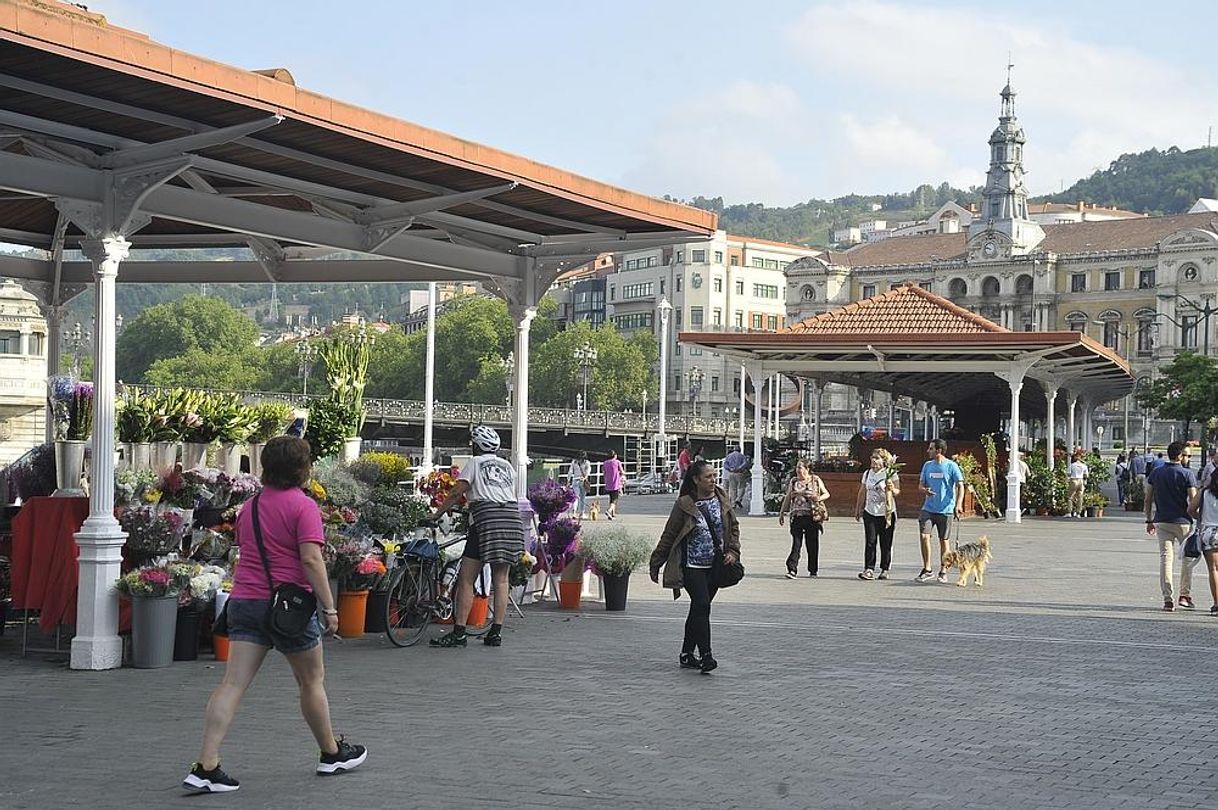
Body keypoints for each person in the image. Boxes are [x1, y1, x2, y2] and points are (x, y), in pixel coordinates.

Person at [185, 436, 366, 794]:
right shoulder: (304, 507)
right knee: (311, 681)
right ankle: (331, 752)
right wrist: (330, 608)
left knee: (232, 684)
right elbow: (311, 560)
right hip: (288, 609)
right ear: (303, 468)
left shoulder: (248, 507)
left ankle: (206, 764)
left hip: (245, 601)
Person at [428, 425, 524, 647]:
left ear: (476, 446)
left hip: (485, 519)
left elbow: (455, 493)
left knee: (466, 578)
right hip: (510, 519)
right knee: (501, 579)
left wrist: (437, 514)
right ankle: (495, 633)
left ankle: (459, 631)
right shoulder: (508, 467)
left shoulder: (475, 463)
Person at [649, 460, 740, 674]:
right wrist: (656, 562)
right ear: (696, 479)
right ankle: (706, 655)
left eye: (714, 475)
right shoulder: (684, 504)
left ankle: (687, 653)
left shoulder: (721, 498)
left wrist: (733, 552)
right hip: (691, 565)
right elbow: (669, 534)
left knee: (698, 609)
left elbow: (733, 527)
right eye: (708, 476)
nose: (713, 480)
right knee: (702, 605)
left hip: (715, 565)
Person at [1146, 441, 1199, 612]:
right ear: (1179, 456)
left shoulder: (1156, 473)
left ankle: (1167, 599)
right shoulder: (1187, 474)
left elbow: (1148, 498)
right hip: (1183, 522)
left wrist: (1149, 520)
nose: (1187, 458)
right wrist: (1198, 518)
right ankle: (1184, 595)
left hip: (1162, 521)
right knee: (1187, 559)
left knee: (1165, 559)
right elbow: (1193, 500)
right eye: (1186, 455)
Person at [915, 439, 964, 583]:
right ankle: (927, 568)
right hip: (928, 508)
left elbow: (960, 485)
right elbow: (920, 485)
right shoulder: (927, 465)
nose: (927, 451)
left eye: (930, 448)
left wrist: (958, 504)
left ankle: (943, 570)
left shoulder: (951, 466)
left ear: (939, 451)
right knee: (924, 536)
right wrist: (925, 490)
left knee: (944, 540)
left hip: (945, 509)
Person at [779, 459, 829, 579]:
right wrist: (782, 512)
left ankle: (813, 570)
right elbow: (788, 496)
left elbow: (827, 494)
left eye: (800, 468)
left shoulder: (815, 480)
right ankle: (792, 569)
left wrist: (818, 498)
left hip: (812, 516)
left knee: (812, 544)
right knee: (796, 543)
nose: (798, 470)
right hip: (797, 516)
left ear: (807, 469)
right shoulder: (794, 481)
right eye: (797, 468)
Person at [854, 449, 900, 580]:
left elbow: (897, 491)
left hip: (886, 512)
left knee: (886, 542)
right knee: (870, 541)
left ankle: (885, 568)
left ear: (884, 461)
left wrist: (891, 488)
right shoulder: (867, 473)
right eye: (872, 457)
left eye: (877, 458)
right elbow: (862, 491)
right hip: (870, 511)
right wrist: (858, 508)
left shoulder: (890, 473)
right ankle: (869, 568)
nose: (874, 460)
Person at [1188, 465, 1218, 616]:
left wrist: (1201, 518)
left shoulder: (1204, 493)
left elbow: (1191, 509)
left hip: (1209, 532)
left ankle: (1216, 604)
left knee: (1213, 569)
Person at [723, 445, 750, 511]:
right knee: (741, 487)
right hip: (739, 473)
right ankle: (738, 499)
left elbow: (725, 464)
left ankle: (733, 503)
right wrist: (739, 468)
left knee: (733, 489)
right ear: (739, 450)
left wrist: (730, 469)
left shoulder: (729, 456)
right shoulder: (742, 456)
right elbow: (745, 463)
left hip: (731, 473)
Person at [568, 450, 591, 519]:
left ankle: (574, 513)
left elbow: (570, 472)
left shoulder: (574, 462)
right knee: (582, 497)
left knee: (576, 497)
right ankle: (582, 513)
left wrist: (568, 481)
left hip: (575, 480)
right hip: (582, 480)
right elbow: (588, 471)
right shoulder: (586, 462)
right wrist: (585, 477)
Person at [602, 449, 624, 520]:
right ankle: (608, 511)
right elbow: (622, 471)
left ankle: (612, 514)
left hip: (608, 483)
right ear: (615, 455)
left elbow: (604, 472)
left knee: (611, 498)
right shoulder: (617, 462)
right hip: (616, 483)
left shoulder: (605, 463)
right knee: (614, 499)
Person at [1066, 451, 1089, 517]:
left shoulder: (1072, 465)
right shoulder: (1084, 465)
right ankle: (1078, 513)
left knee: (1070, 497)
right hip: (1081, 480)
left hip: (1073, 480)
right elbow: (1086, 475)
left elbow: (1068, 473)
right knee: (1080, 497)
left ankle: (1069, 512)